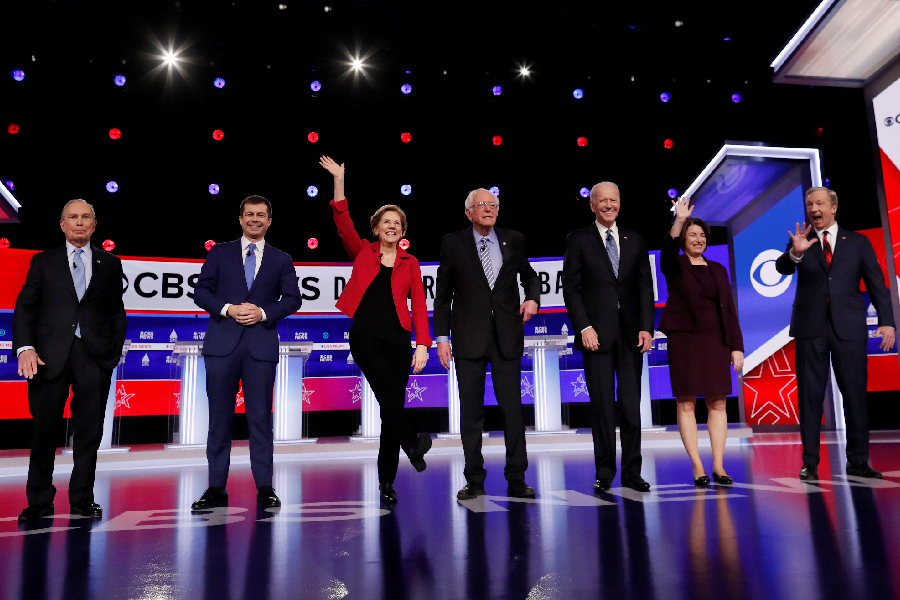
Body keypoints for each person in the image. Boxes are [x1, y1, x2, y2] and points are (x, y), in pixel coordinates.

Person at [319, 156, 433, 503]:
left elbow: (419, 307)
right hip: (366, 336)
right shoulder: (361, 252)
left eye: (397, 222)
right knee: (389, 400)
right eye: (386, 221)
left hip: (398, 341)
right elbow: (342, 221)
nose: (392, 226)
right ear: (375, 227)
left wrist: (422, 344)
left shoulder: (410, 264)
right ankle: (413, 445)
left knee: (390, 409)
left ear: (403, 230)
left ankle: (387, 482)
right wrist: (339, 180)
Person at [13, 199, 127, 521]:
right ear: (62, 225)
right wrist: (25, 348)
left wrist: (112, 352)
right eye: (73, 217)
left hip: (94, 358)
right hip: (49, 357)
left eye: (85, 217)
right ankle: (39, 501)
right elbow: (24, 309)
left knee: (90, 433)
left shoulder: (110, 263)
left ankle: (82, 500)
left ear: (94, 225)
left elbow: (117, 312)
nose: (79, 222)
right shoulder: (43, 262)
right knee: (44, 431)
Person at [776, 186, 895, 481]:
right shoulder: (801, 241)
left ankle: (858, 461)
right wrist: (794, 253)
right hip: (810, 329)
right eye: (809, 205)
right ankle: (810, 463)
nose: (813, 209)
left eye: (819, 203)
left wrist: (887, 321)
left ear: (833, 207)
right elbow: (782, 267)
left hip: (849, 329)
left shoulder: (857, 242)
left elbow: (877, 284)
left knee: (855, 397)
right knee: (809, 397)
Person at [191, 195, 302, 510]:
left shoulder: (281, 259)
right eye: (249, 214)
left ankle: (265, 487)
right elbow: (201, 291)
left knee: (260, 421)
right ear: (240, 219)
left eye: (261, 215)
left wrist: (263, 313)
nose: (255, 219)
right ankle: (215, 488)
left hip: (260, 347)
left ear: (269, 221)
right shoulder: (219, 253)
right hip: (222, 347)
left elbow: (292, 299)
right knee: (218, 421)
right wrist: (228, 309)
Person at [434, 188, 541, 500]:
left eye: (493, 205)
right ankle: (474, 480)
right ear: (468, 212)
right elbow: (443, 297)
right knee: (471, 413)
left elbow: (529, 277)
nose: (489, 210)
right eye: (482, 205)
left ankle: (517, 479)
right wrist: (441, 339)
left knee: (513, 411)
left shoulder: (514, 239)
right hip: (468, 339)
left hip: (506, 337)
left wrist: (533, 298)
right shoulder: (453, 243)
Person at [562, 182, 655, 493]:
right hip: (596, 337)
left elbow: (645, 288)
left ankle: (633, 473)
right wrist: (584, 327)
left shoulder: (636, 240)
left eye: (613, 200)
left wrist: (646, 326)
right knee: (601, 408)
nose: (608, 205)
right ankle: (604, 472)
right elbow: (571, 290)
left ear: (619, 203)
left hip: (631, 336)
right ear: (592, 205)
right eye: (602, 200)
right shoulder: (577, 240)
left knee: (630, 407)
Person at [658, 197, 744, 486]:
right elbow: (667, 250)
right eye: (692, 235)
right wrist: (680, 219)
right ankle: (698, 466)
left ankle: (719, 466)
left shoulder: (718, 269)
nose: (698, 239)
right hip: (685, 338)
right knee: (686, 402)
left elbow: (729, 309)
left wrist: (736, 346)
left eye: (703, 235)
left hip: (716, 339)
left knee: (718, 402)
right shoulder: (675, 265)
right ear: (683, 238)